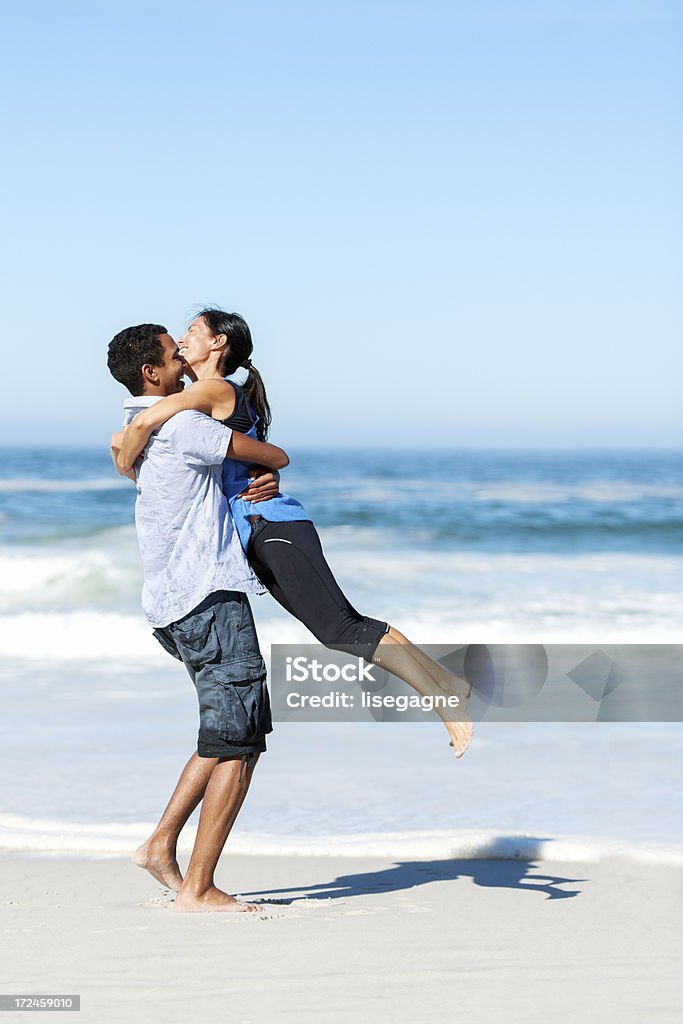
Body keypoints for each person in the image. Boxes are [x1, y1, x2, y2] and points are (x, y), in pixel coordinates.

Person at [117, 310, 474, 757]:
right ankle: (449, 683)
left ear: (218, 344)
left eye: (192, 332)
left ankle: (444, 698)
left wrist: (126, 446)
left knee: (341, 627)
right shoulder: (205, 396)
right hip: (255, 531)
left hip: (273, 527)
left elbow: (151, 418)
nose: (184, 339)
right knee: (342, 628)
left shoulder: (214, 389)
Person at [107, 323, 289, 913]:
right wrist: (271, 470)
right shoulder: (184, 425)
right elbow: (273, 454)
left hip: (171, 605)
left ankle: (161, 846)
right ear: (152, 375)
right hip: (208, 598)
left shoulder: (140, 425)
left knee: (227, 735)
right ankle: (198, 888)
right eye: (170, 351)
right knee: (238, 742)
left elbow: (125, 453)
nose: (181, 355)